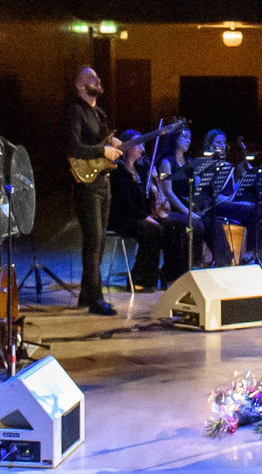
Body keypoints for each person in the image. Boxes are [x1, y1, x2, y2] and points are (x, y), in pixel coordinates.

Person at [108, 132, 190, 291]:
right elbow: (126, 204)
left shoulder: (142, 168)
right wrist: (147, 218)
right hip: (123, 218)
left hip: (142, 215)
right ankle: (140, 279)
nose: (142, 148)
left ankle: (170, 274)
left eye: (143, 145)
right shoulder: (118, 170)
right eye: (138, 144)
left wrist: (155, 179)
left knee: (176, 226)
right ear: (126, 146)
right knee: (152, 230)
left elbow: (152, 196)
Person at [66, 66, 118, 316]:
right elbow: (74, 147)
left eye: (97, 77)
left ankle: (87, 296)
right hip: (87, 186)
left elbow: (102, 145)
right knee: (94, 241)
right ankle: (96, 299)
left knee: (100, 241)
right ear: (79, 86)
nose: (97, 80)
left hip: (103, 182)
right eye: (91, 78)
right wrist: (102, 151)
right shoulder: (76, 112)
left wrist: (112, 145)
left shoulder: (99, 113)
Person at [188, 128, 262, 267]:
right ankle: (251, 254)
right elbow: (206, 195)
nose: (222, 146)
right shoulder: (202, 166)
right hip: (215, 206)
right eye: (218, 142)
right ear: (209, 145)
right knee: (254, 212)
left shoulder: (227, 165)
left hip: (229, 205)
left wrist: (242, 178)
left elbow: (232, 192)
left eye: (223, 142)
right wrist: (235, 202)